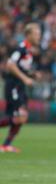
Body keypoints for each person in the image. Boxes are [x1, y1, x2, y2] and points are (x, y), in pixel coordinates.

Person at [0, 23, 41, 152]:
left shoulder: (29, 51)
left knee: (20, 117)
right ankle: (6, 145)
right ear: (28, 35)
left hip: (19, 87)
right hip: (13, 86)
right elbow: (10, 65)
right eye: (36, 34)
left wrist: (32, 74)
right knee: (18, 116)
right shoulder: (21, 48)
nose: (38, 37)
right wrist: (25, 78)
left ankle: (6, 145)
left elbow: (21, 68)